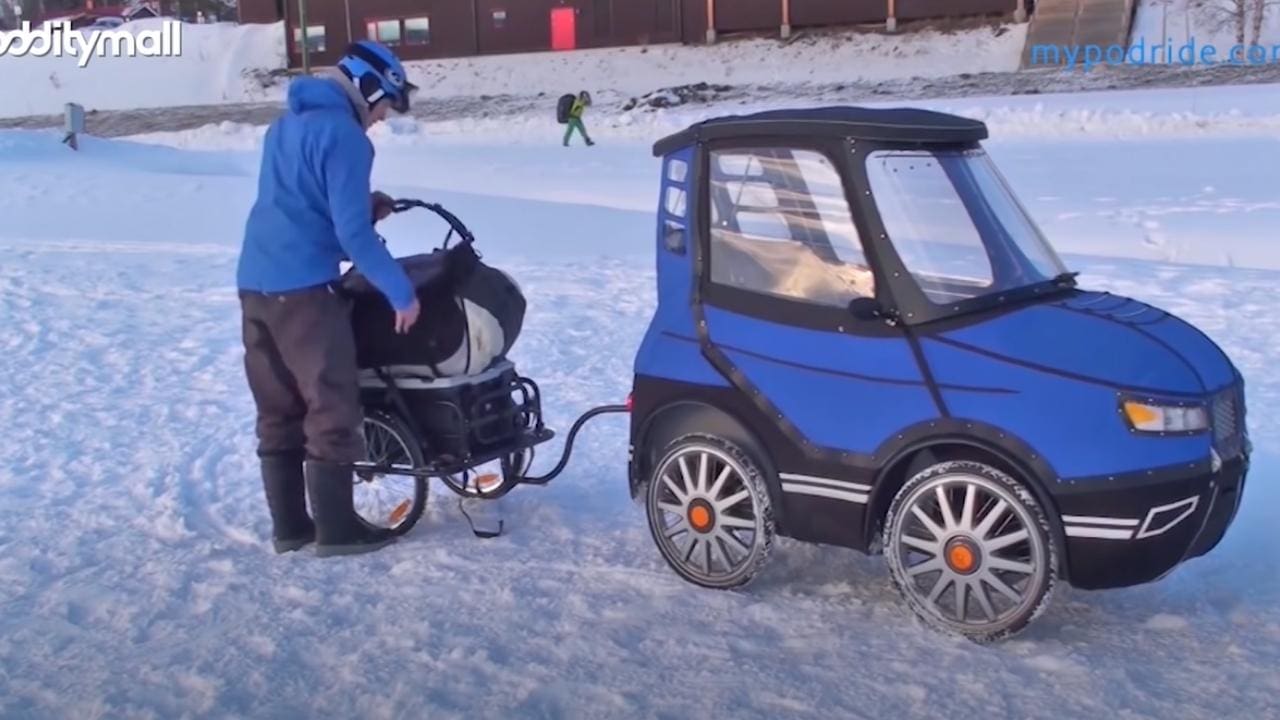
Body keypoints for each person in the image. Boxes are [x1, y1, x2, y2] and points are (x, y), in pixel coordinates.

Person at [236, 40, 421, 558]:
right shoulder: (346, 136)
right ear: (368, 88)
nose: (382, 117)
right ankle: (339, 531)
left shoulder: (283, 128)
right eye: (385, 103)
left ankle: (291, 528)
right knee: (330, 403)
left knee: (277, 408)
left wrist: (365, 206)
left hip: (255, 282)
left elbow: (300, 202)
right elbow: (353, 239)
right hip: (305, 293)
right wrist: (401, 291)